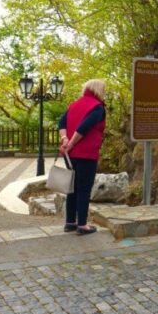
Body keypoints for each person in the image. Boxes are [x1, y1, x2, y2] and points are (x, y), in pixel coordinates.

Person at [58, 79, 106, 235]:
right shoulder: (97, 107)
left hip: (69, 155)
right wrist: (71, 143)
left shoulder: (74, 105)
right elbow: (84, 127)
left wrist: (64, 140)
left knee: (72, 188)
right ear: (99, 90)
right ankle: (82, 225)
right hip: (86, 153)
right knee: (84, 189)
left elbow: (61, 123)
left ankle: (70, 222)